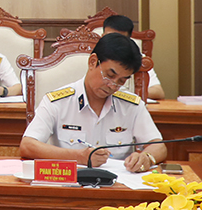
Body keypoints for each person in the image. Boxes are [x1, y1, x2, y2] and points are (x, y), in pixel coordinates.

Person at [18, 33, 167, 172]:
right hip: (69, 183)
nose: (112, 85)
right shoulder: (58, 102)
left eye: (121, 81)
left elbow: (158, 146)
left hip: (118, 185)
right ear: (93, 62)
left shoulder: (131, 105)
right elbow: (28, 146)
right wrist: (78, 157)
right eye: (109, 76)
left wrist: (147, 157)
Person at [101, 14, 165, 99]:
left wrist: (127, 94)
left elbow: (158, 92)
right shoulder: (89, 56)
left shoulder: (137, 59)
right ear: (102, 36)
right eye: (110, 37)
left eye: (119, 39)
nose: (114, 43)